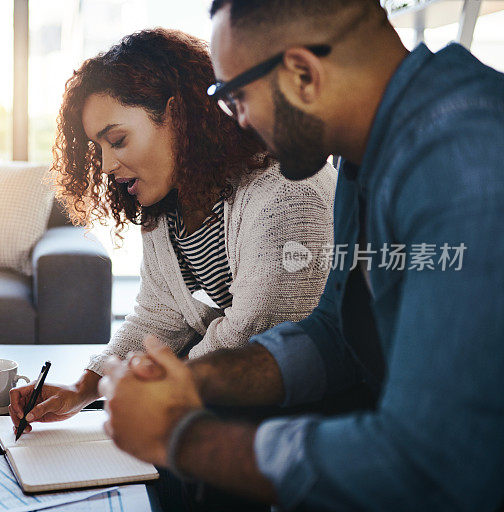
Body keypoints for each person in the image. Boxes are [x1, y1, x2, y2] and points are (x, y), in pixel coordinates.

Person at [99, 0, 504, 510]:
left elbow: (429, 463)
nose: (236, 123)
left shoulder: (462, 161)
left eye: (236, 97)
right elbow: (336, 336)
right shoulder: (366, 157)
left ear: (302, 75)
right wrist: (192, 381)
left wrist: (178, 437)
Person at [9, 28, 337, 432]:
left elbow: (254, 337)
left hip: (306, 429)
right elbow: (159, 316)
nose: (107, 166)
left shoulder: (288, 194)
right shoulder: (168, 205)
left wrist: (148, 390)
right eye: (99, 149)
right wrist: (82, 390)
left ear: (177, 115)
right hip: (233, 414)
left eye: (118, 140)